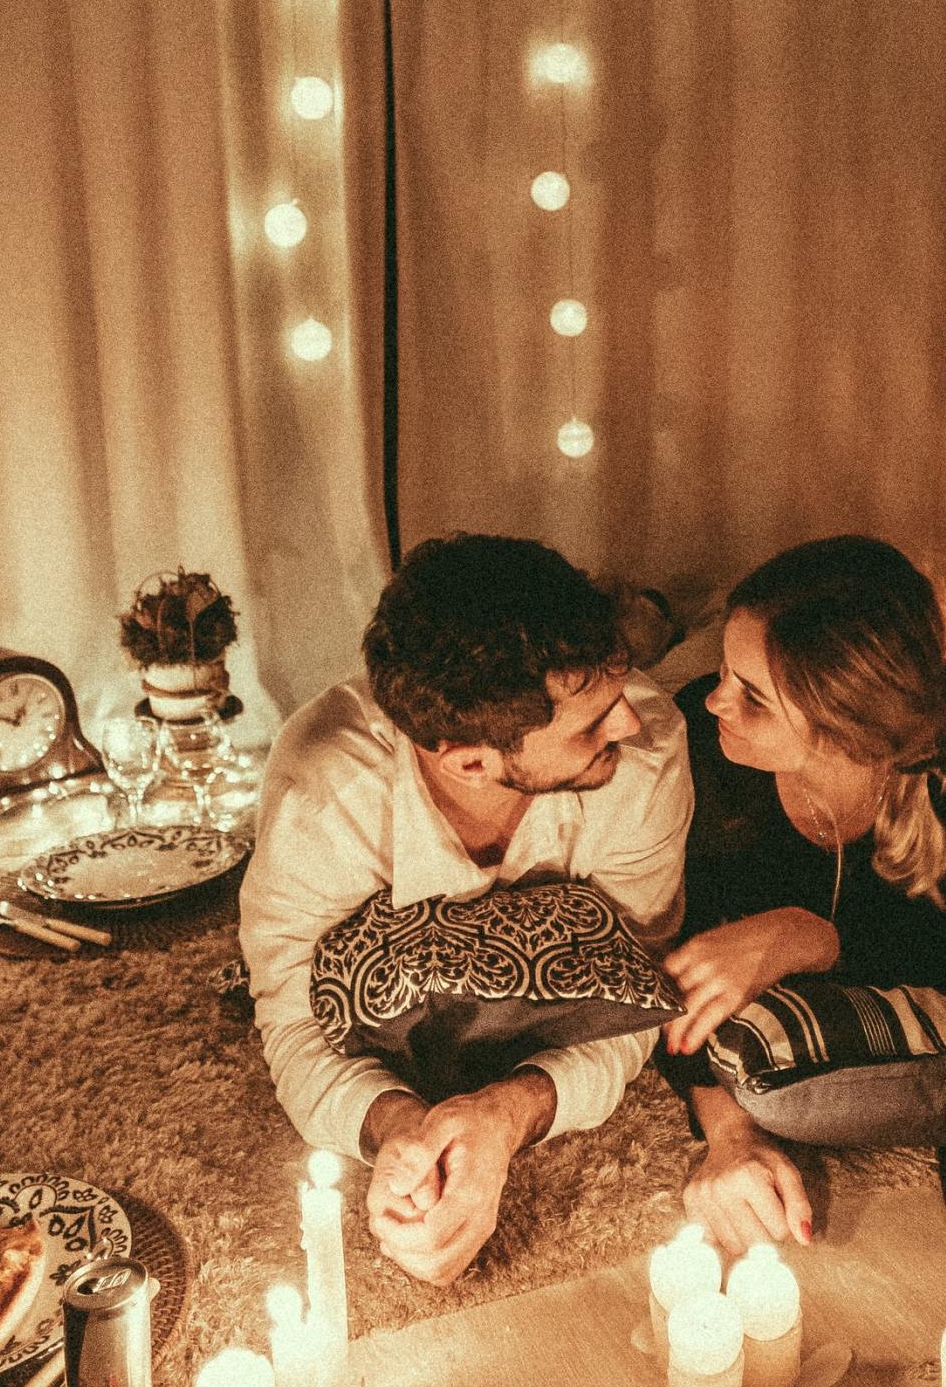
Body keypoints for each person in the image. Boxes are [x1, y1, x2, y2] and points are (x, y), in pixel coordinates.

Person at [241, 534, 692, 1286]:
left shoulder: (646, 755)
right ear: (470, 763)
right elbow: (290, 1022)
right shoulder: (324, 797)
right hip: (384, 980)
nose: (627, 726)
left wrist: (509, 1114)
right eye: (589, 725)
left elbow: (639, 993)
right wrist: (399, 1130)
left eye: (616, 693)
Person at [662, 535, 946, 1254]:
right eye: (724, 669)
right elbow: (665, 980)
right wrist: (730, 1135)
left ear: (847, 727)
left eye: (753, 696)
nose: (718, 699)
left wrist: (811, 936)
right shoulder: (695, 747)